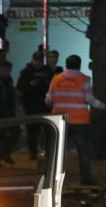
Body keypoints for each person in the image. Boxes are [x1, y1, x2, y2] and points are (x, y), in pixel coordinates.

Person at [45, 55, 106, 186]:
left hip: (60, 120)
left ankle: (54, 179)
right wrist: (103, 106)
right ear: (79, 65)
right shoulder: (84, 79)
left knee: (58, 151)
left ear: (66, 65)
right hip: (80, 121)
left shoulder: (56, 79)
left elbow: (49, 100)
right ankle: (85, 180)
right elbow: (90, 99)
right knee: (83, 151)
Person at [17, 51, 55, 159]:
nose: (38, 63)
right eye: (36, 60)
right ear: (33, 60)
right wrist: (30, 86)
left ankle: (49, 152)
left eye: (40, 60)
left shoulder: (48, 71)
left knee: (48, 131)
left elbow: (52, 86)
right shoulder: (26, 72)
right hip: (31, 106)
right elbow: (20, 88)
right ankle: (33, 153)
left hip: (45, 106)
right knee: (32, 132)